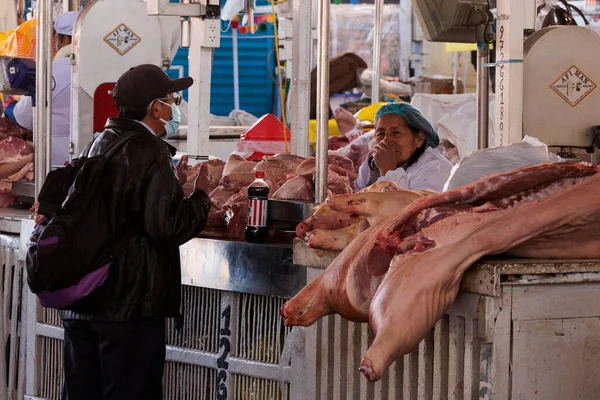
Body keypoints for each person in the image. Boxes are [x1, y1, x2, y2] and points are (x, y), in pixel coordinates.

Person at [59, 64, 211, 400]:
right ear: (155, 107)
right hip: (127, 309)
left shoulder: (97, 144)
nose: (175, 107)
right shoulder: (150, 151)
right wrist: (201, 195)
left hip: (84, 303)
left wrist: (175, 186)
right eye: (173, 99)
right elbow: (167, 226)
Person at [5, 11, 79, 167]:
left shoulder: (49, 71)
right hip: (97, 150)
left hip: (56, 155)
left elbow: (24, 117)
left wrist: (10, 108)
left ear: (64, 40)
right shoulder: (104, 70)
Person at [355, 102, 453, 192]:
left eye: (396, 132)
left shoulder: (437, 170)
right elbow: (355, 193)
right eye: (380, 133)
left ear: (419, 139)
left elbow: (408, 208)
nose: (386, 140)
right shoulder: (374, 162)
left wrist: (388, 171)